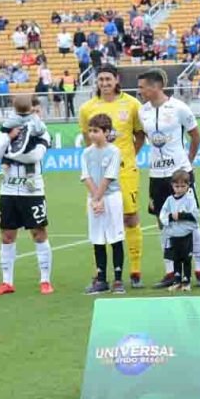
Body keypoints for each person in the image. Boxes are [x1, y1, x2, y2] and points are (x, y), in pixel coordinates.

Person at [78, 64, 145, 288]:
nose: (105, 84)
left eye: (109, 79)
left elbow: (139, 135)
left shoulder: (132, 104)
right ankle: (102, 273)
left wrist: (127, 157)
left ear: (117, 80)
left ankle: (135, 270)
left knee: (130, 218)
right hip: (99, 174)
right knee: (99, 218)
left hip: (126, 171)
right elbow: (88, 141)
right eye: (101, 80)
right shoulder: (87, 108)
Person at [138, 69, 200, 289]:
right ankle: (170, 272)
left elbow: (195, 135)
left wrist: (189, 162)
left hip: (179, 173)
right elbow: (145, 137)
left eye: (142, 87)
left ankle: (199, 269)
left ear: (156, 86)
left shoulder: (179, 108)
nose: (140, 91)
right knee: (162, 221)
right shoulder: (143, 111)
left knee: (190, 220)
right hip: (156, 175)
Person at [0, 94, 53, 296]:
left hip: (32, 189)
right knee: (7, 235)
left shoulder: (42, 132)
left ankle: (45, 280)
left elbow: (35, 156)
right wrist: (9, 138)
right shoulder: (7, 129)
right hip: (8, 190)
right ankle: (7, 282)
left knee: (39, 232)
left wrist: (11, 153)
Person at [80, 113, 126, 295]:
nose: (92, 134)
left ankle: (118, 279)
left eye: (96, 131)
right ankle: (101, 279)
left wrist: (98, 198)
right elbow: (86, 177)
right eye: (90, 131)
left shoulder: (114, 151)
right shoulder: (86, 153)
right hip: (94, 199)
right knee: (97, 237)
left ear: (106, 132)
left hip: (111, 198)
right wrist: (95, 199)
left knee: (115, 237)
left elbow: (109, 177)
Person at [158, 170, 198, 293]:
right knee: (176, 258)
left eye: (183, 186)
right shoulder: (170, 200)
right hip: (174, 235)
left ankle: (186, 281)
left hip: (185, 235)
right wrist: (170, 217)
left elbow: (195, 215)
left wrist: (180, 215)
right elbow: (163, 215)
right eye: (177, 186)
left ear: (188, 185)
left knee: (186, 258)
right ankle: (177, 280)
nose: (179, 189)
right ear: (172, 186)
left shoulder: (190, 199)